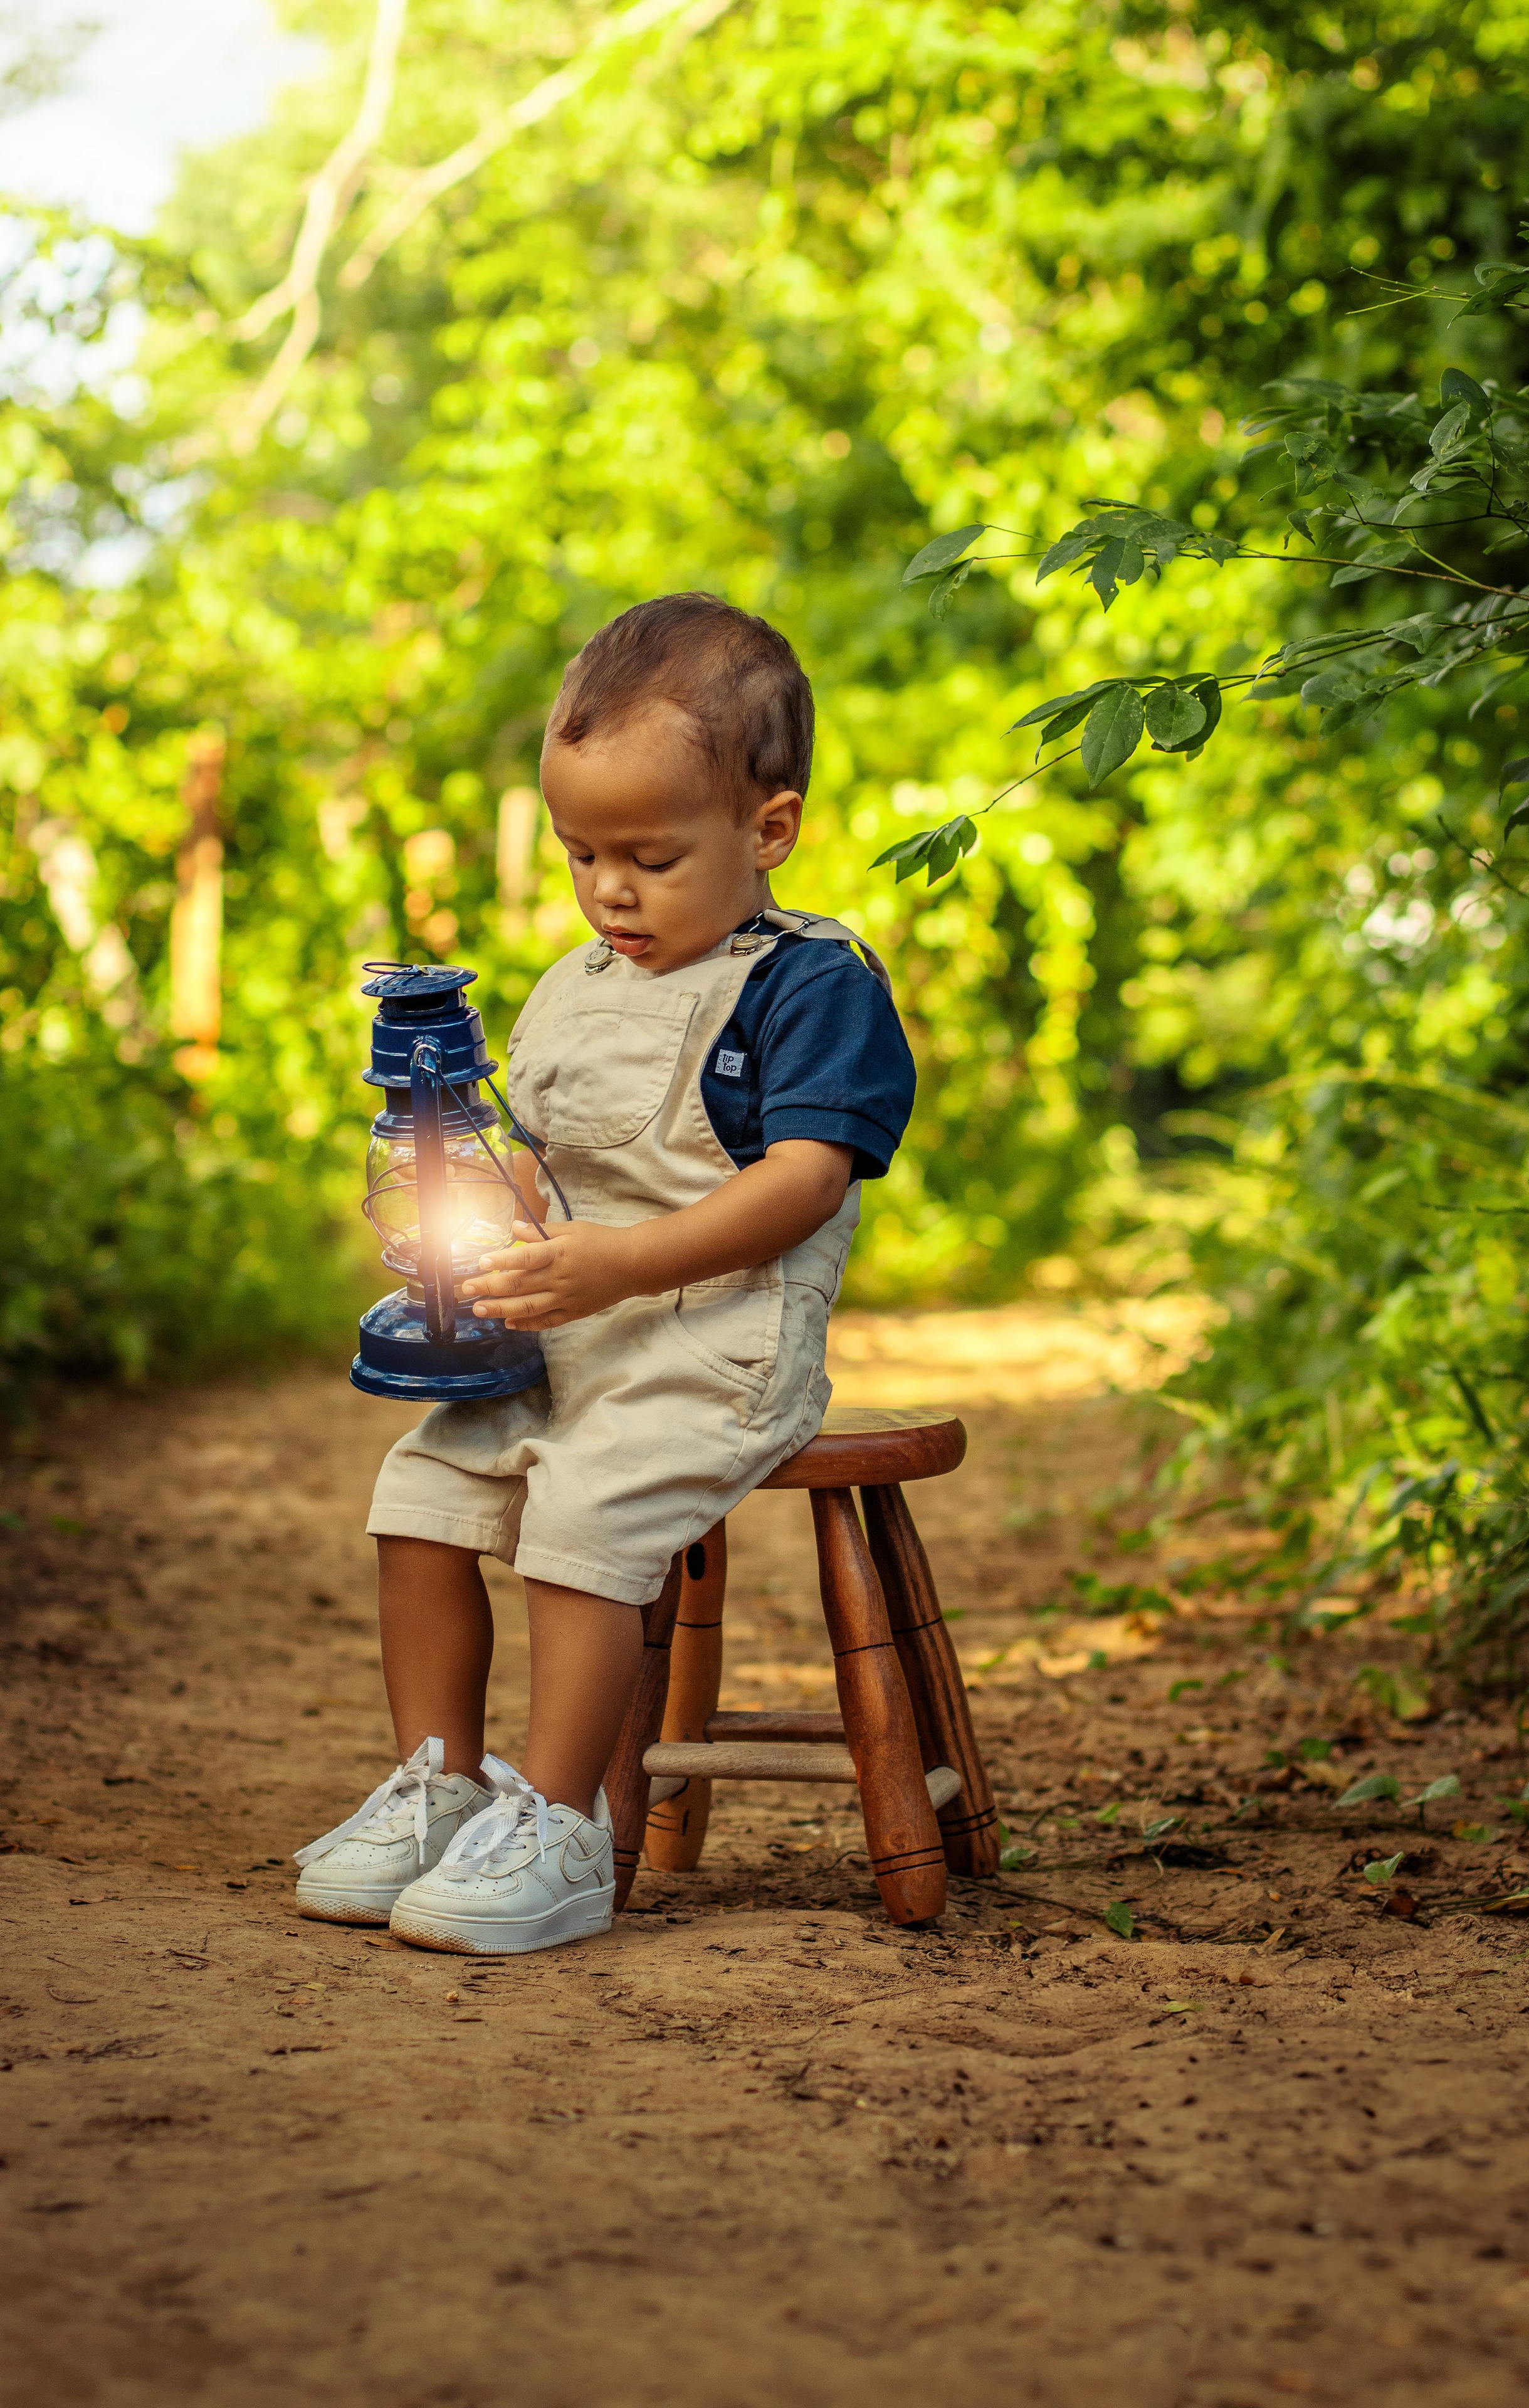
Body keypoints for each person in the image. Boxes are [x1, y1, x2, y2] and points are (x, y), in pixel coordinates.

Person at [293, 593, 916, 1953]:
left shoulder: (810, 986)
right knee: (425, 1488)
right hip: (571, 1331)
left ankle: (559, 1820)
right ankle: (439, 1788)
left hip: (717, 1348)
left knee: (581, 1511)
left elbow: (803, 1180)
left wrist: (621, 1265)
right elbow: (553, 1166)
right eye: (581, 856)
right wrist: (477, 1199)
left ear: (769, 829)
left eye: (646, 855)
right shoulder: (572, 983)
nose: (609, 892)